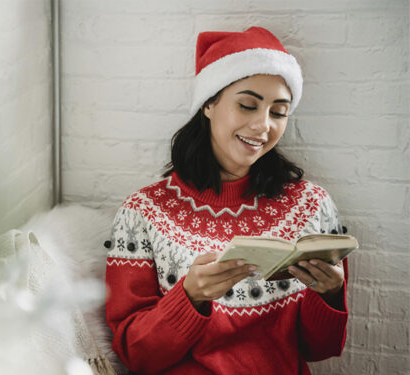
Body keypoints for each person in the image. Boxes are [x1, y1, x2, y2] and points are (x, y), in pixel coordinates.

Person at [104, 26, 349, 375]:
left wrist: (329, 294)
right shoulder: (142, 212)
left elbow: (318, 349)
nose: (262, 126)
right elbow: (135, 355)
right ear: (209, 102)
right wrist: (189, 298)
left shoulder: (312, 206)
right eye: (247, 105)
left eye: (278, 112)